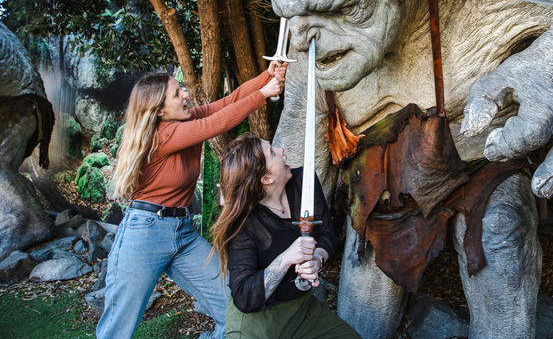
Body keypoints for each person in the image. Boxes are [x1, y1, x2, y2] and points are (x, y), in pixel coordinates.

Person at [97, 61, 287, 339]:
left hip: (182, 233)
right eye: (177, 94)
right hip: (145, 233)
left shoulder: (184, 121)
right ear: (160, 110)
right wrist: (264, 94)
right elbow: (216, 123)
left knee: (233, 306)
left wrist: (265, 77)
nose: (185, 94)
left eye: (181, 89)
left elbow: (228, 102)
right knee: (118, 327)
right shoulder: (163, 134)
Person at [210, 133, 362, 339]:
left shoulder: (304, 183)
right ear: (266, 178)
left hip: (303, 312)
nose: (282, 151)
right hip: (258, 323)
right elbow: (244, 296)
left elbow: (327, 233)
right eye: (273, 152)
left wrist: (317, 259)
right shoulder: (243, 225)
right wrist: (285, 259)